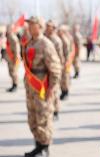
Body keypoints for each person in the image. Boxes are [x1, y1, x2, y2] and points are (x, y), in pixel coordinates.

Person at [23, 16, 61, 157]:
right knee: (32, 117)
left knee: (43, 117)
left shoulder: (46, 44)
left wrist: (51, 88)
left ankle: (44, 147)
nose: (30, 27)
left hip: (42, 86)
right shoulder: (29, 43)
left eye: (32, 24)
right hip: (30, 87)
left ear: (39, 26)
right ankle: (38, 145)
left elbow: (55, 68)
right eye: (29, 24)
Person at [45, 20, 64, 120]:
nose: (47, 28)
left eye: (49, 26)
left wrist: (59, 69)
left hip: (54, 67)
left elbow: (60, 56)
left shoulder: (56, 40)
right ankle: (48, 109)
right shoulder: (44, 39)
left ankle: (56, 111)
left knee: (55, 90)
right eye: (46, 26)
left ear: (53, 28)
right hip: (45, 69)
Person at [58, 25, 73, 100]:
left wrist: (66, 62)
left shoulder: (65, 40)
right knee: (62, 77)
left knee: (65, 76)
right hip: (60, 61)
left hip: (65, 61)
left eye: (60, 31)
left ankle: (65, 91)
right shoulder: (60, 38)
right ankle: (63, 90)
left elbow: (67, 52)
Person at [5, 24, 21, 92]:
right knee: (11, 72)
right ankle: (13, 85)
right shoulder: (9, 36)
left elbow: (17, 48)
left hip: (14, 58)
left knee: (14, 72)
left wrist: (16, 58)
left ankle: (15, 85)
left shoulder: (12, 37)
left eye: (8, 28)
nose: (7, 30)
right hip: (10, 58)